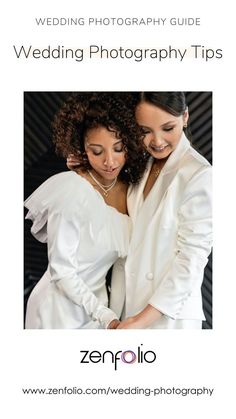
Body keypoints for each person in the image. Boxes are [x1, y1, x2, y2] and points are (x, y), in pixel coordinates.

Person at [68, 91, 212, 329]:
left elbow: (192, 259)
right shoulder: (143, 164)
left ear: (185, 116)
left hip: (167, 317)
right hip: (125, 305)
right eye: (145, 131)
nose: (157, 141)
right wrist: (86, 172)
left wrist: (141, 320)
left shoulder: (199, 174)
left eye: (168, 128)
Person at [24, 92, 147, 329]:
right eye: (97, 152)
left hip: (98, 310)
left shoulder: (133, 192)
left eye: (118, 148)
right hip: (55, 312)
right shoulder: (73, 190)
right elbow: (61, 270)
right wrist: (106, 315)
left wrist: (114, 313)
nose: (109, 161)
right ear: (81, 149)